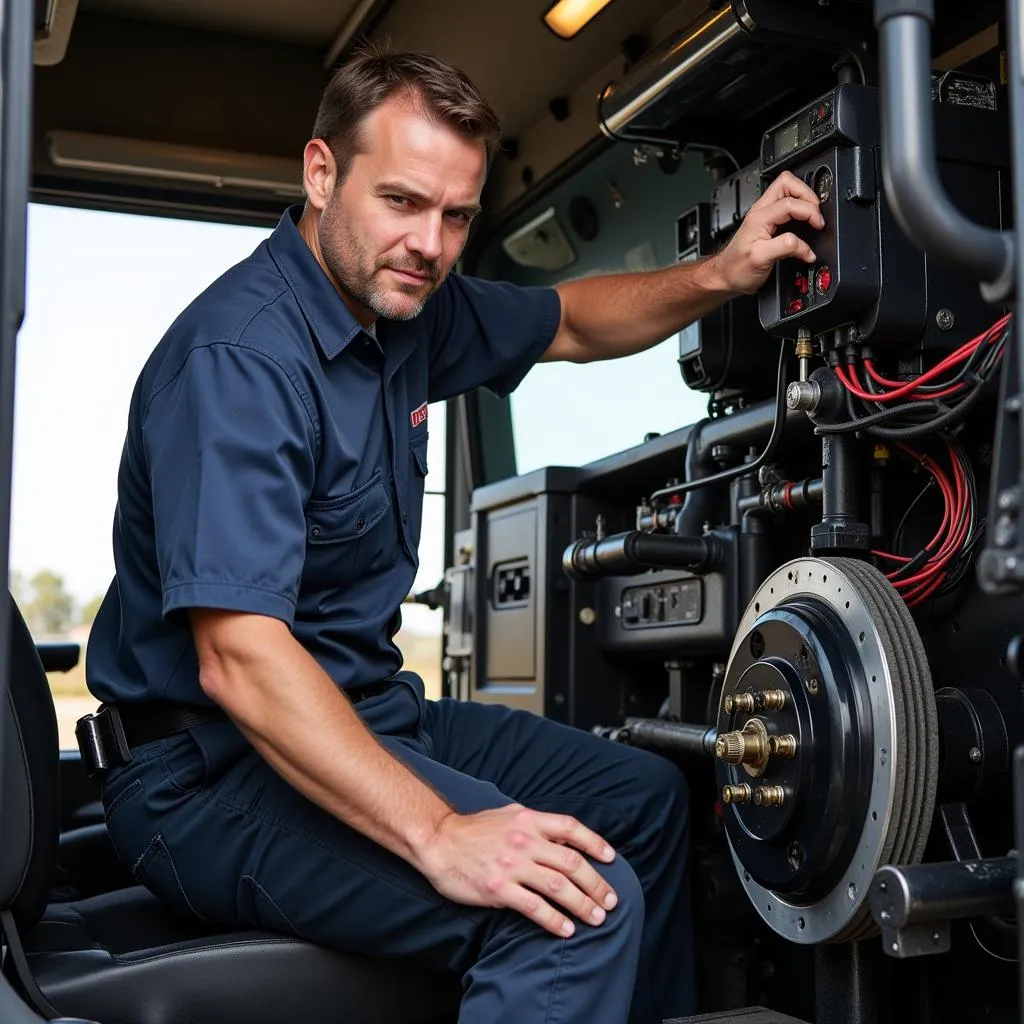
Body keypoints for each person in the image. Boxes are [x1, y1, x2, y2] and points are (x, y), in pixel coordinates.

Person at [83, 46, 822, 1024]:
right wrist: (441, 833)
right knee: (570, 911)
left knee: (642, 797)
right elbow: (240, 659)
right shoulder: (242, 359)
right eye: (400, 201)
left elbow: (571, 319)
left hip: (367, 713)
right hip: (209, 773)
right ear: (320, 172)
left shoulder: (410, 313)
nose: (429, 243)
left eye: (458, 216)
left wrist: (723, 274)